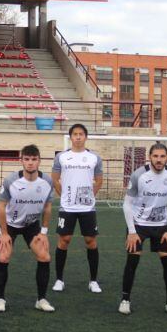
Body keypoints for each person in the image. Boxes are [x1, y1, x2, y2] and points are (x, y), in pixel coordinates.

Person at [120, 143, 167, 316]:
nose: (159, 160)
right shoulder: (139, 175)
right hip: (139, 225)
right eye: (155, 156)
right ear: (150, 157)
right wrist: (132, 232)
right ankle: (125, 300)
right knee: (132, 261)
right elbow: (127, 204)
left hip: (162, 226)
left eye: (162, 156)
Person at [0, 145, 56, 313]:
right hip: (10, 225)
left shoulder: (47, 181)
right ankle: (0, 299)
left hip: (31, 225)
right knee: (3, 256)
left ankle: (41, 299)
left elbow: (48, 207)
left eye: (34, 159)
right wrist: (5, 233)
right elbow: (1, 207)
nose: (30, 163)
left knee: (44, 256)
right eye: (27, 159)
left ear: (39, 161)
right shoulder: (11, 180)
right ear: (21, 161)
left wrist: (44, 232)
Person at [51, 123, 104, 294]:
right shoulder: (61, 157)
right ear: (71, 137)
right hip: (67, 207)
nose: (78, 137)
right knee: (64, 240)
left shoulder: (94, 158)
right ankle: (59, 279)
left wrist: (91, 196)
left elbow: (99, 180)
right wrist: (63, 196)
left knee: (91, 241)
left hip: (87, 208)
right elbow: (55, 179)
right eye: (75, 134)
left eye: (81, 134)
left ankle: (93, 281)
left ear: (85, 137)